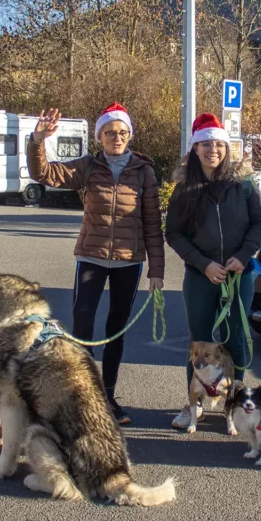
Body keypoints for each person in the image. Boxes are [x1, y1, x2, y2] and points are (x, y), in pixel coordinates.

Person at [27, 103, 165, 425]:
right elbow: (43, 173)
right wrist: (38, 141)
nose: (116, 137)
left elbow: (152, 226)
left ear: (129, 135)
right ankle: (83, 397)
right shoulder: (88, 167)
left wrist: (156, 271)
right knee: (82, 325)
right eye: (109, 132)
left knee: (116, 330)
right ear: (99, 136)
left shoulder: (144, 172)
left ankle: (109, 398)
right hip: (91, 256)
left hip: (129, 263)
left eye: (122, 132)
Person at [165, 113, 261, 430]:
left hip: (239, 276)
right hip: (200, 277)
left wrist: (242, 256)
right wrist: (204, 264)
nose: (213, 150)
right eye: (206, 144)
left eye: (218, 144)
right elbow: (174, 234)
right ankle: (193, 405)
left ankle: (235, 404)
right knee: (198, 344)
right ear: (196, 150)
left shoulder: (244, 185)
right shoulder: (184, 190)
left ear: (226, 148)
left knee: (237, 340)